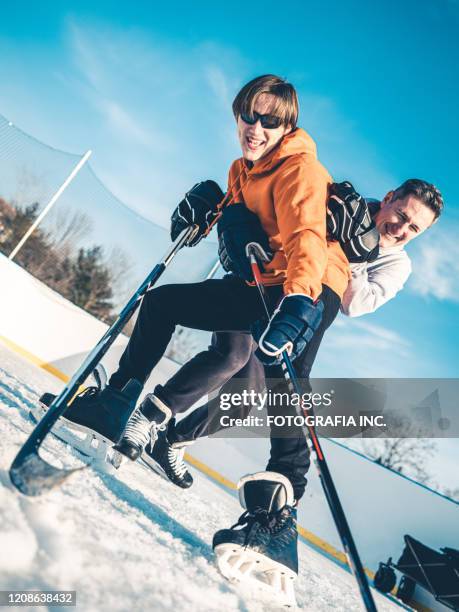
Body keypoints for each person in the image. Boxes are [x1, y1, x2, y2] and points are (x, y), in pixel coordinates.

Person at [39, 74, 351, 600]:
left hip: (302, 288)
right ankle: (116, 403)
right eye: (248, 114)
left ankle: (277, 521)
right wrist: (206, 212)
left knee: (280, 385)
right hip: (255, 283)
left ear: (287, 124)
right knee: (162, 303)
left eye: (269, 118)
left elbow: (306, 240)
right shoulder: (241, 169)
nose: (255, 127)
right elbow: (230, 213)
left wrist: (299, 303)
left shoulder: (302, 169)